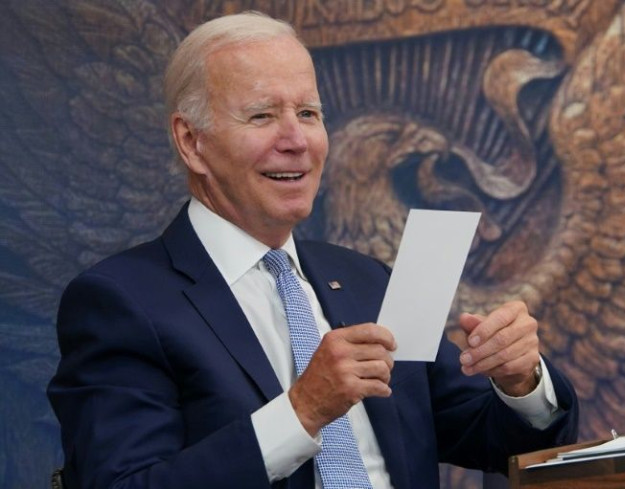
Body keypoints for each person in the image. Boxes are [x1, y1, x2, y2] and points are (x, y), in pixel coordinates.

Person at [48, 11, 578, 489]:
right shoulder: (120, 302)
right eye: (261, 116)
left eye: (307, 112)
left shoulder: (370, 281)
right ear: (192, 143)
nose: (296, 140)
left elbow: (497, 442)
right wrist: (301, 412)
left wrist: (521, 383)